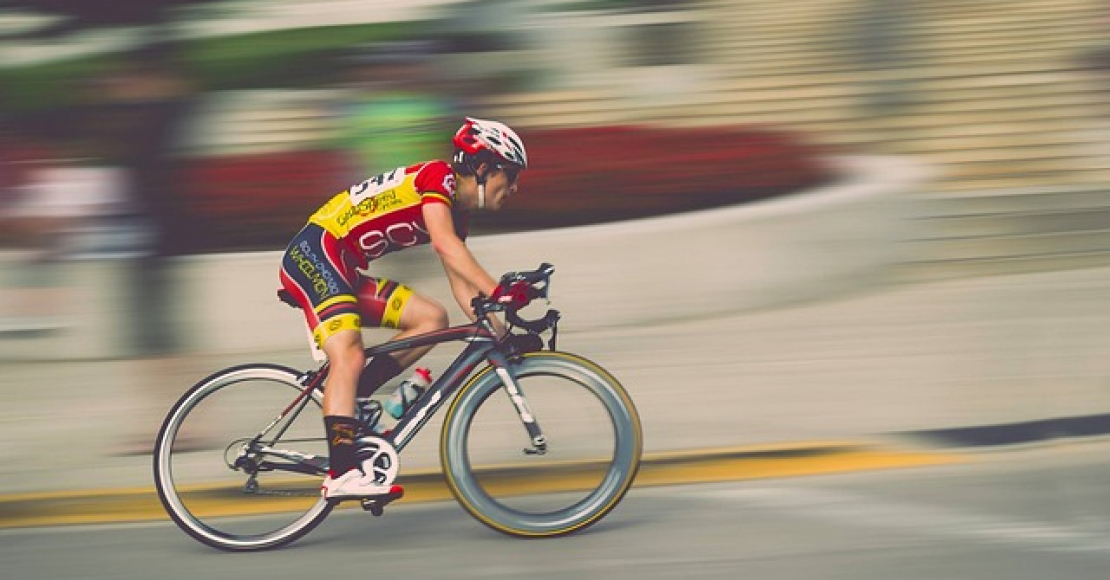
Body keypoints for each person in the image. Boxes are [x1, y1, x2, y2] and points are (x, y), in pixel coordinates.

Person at [278, 117, 528, 500]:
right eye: (510, 176)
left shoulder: (456, 212)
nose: (514, 188)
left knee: (432, 319)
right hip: (316, 253)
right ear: (483, 168)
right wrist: (499, 289)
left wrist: (503, 335)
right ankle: (342, 473)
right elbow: (445, 246)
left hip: (341, 268)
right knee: (348, 353)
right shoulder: (438, 178)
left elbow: (463, 286)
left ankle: (352, 399)